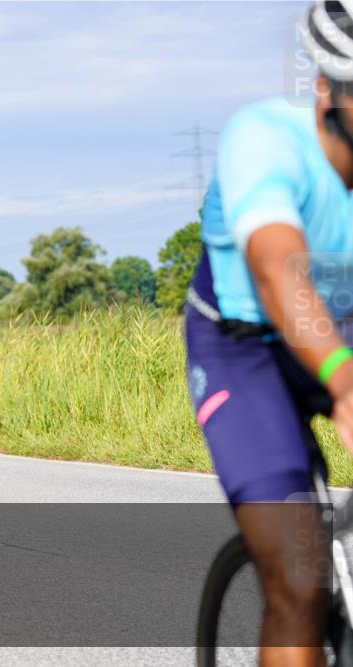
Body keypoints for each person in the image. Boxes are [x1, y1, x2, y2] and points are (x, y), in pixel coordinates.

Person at [186, 2, 353, 662]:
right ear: (327, 89)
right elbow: (278, 268)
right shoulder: (263, 138)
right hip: (243, 350)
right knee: (300, 577)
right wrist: (341, 380)